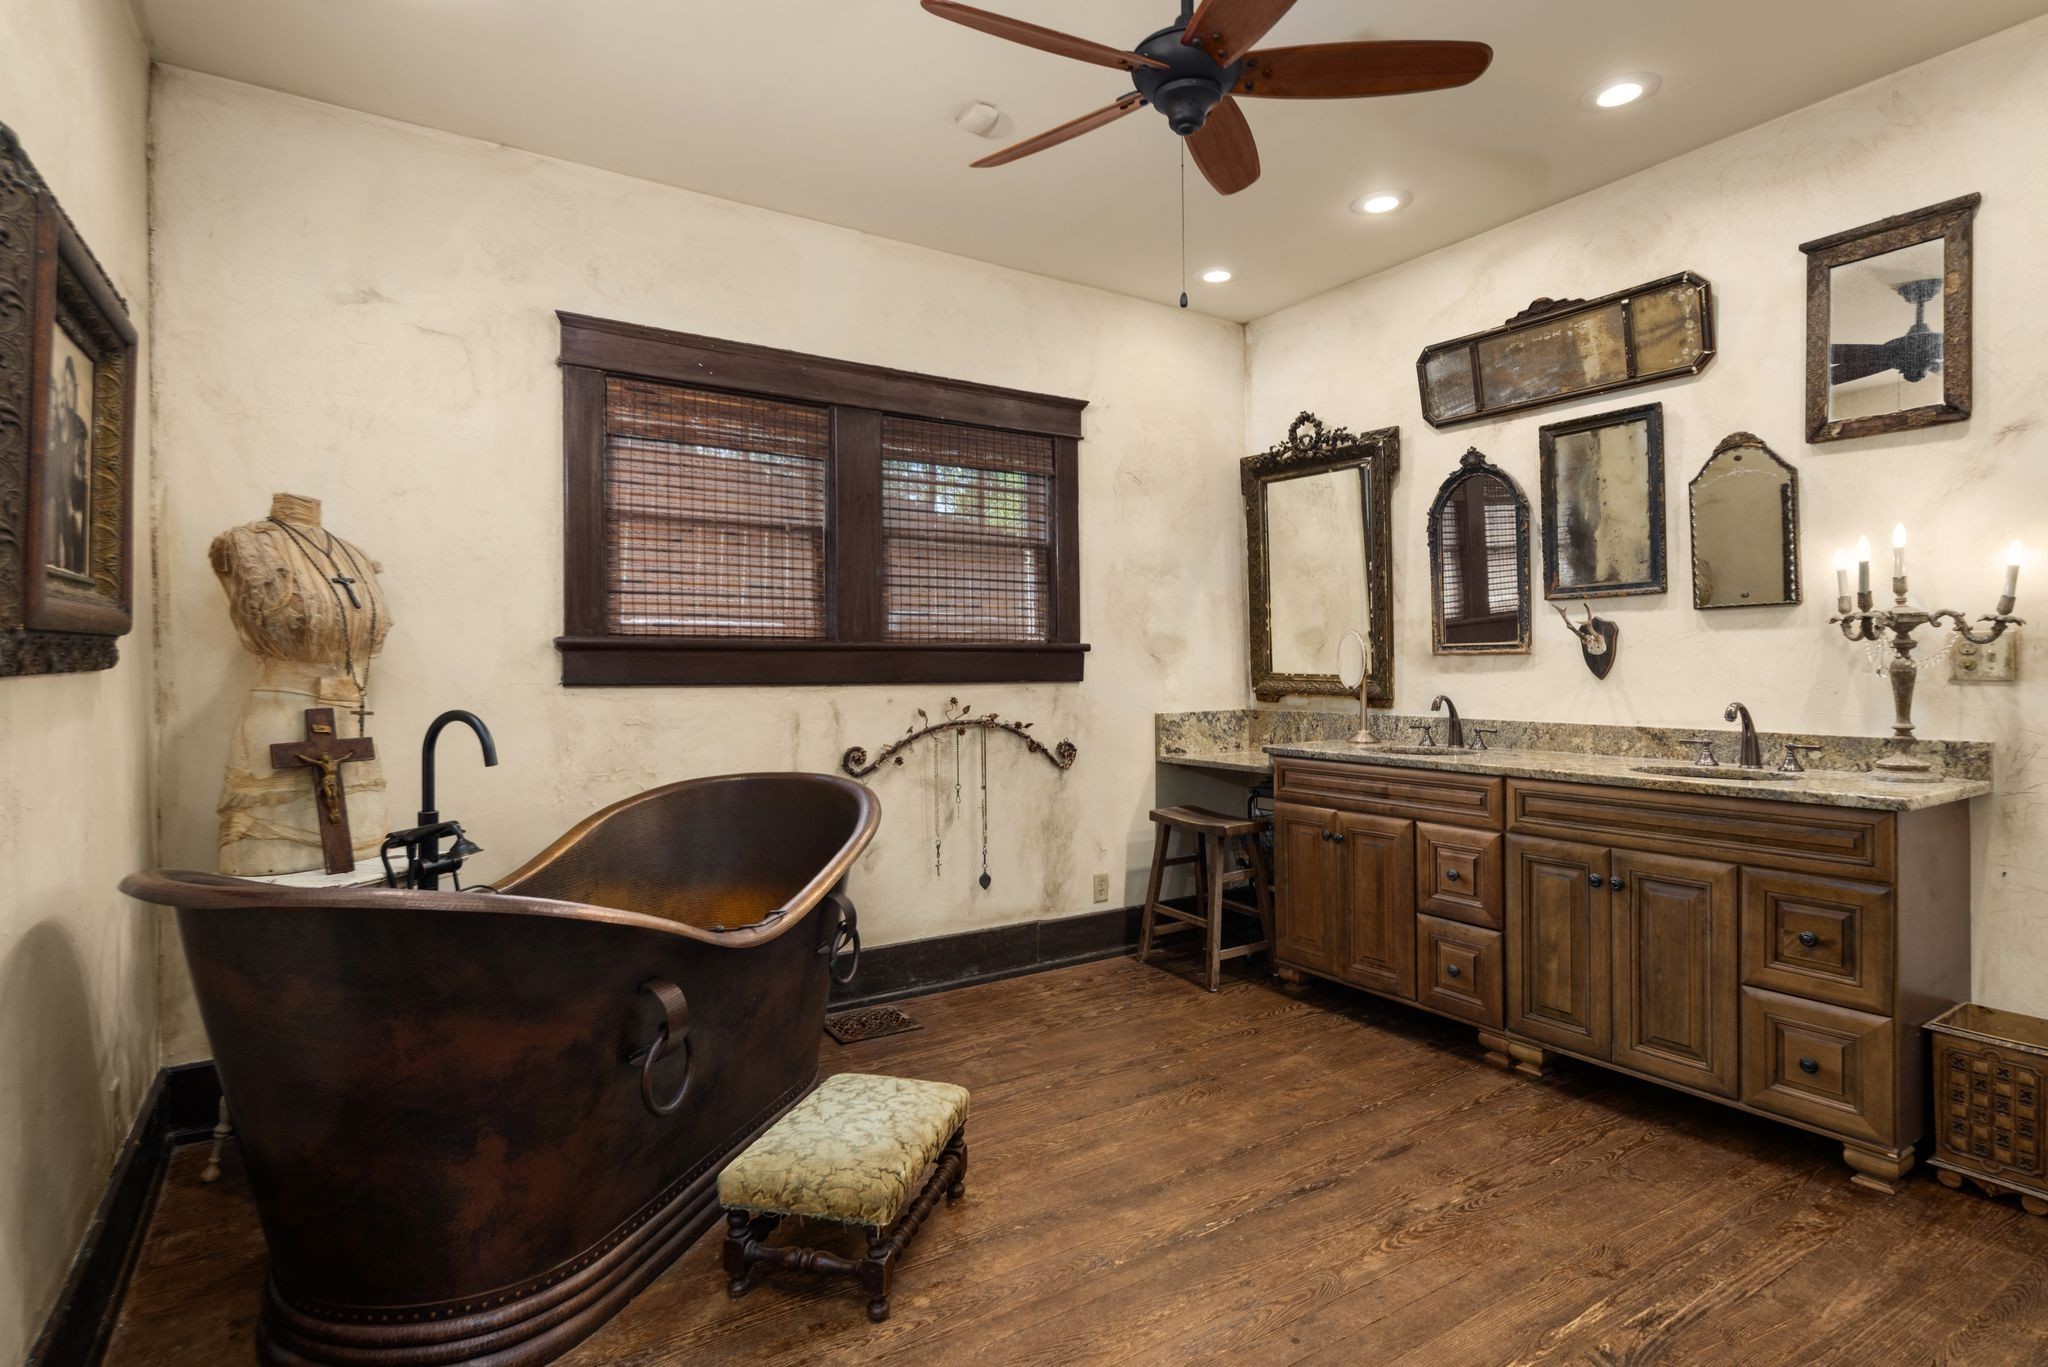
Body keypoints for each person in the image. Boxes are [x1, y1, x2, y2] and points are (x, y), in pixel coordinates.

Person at [46, 354, 91, 574]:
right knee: (60, 544)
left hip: (76, 500)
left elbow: (83, 470)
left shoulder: (79, 426)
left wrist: (78, 505)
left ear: (75, 385)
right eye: (66, 386)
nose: (69, 393)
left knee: (76, 542)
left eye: (71, 385)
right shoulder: (58, 424)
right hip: (60, 496)